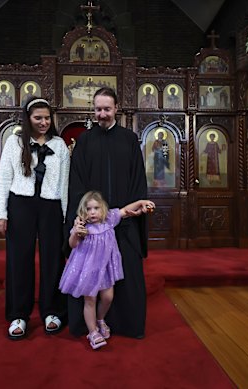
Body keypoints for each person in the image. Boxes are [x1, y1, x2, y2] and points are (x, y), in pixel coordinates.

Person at [65, 86, 149, 339]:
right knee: (91, 278)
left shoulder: (128, 139)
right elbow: (76, 181)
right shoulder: (85, 141)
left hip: (122, 223)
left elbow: (138, 179)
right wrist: (82, 215)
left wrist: (136, 207)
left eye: (107, 109)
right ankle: (88, 326)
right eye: (98, 109)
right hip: (93, 225)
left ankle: (126, 324)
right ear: (94, 110)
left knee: (128, 273)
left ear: (116, 109)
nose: (102, 114)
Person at [0, 97, 69, 340]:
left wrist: (67, 217)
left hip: (51, 205)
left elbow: (65, 184)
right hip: (21, 204)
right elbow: (4, 178)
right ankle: (19, 314)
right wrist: (0, 213)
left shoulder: (60, 145)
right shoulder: (14, 143)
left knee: (52, 258)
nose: (44, 122)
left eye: (47, 118)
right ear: (28, 119)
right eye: (38, 118)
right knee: (19, 258)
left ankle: (52, 311)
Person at [59, 191, 155, 350]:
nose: (92, 212)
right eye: (88, 209)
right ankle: (92, 332)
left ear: (102, 209)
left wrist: (140, 202)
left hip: (105, 268)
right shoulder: (82, 226)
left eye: (96, 208)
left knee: (108, 297)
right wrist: (76, 232)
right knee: (89, 300)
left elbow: (125, 211)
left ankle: (100, 319)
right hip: (88, 270)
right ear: (83, 210)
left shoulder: (109, 219)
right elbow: (72, 244)